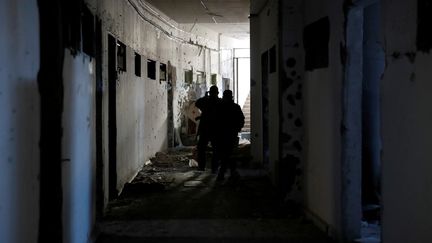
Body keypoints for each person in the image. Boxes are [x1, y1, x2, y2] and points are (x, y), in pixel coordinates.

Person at [215, 90, 245, 182]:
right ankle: (231, 174)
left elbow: (215, 121)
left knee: (224, 155)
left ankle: (222, 175)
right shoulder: (235, 107)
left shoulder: (219, 107)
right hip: (231, 134)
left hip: (223, 135)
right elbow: (241, 120)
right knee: (231, 155)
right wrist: (237, 128)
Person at [195, 85, 221, 172]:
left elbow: (197, 103)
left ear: (210, 92)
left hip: (205, 128)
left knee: (201, 148)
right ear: (217, 93)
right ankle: (214, 168)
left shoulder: (206, 101)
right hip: (216, 129)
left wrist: (205, 97)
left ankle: (201, 167)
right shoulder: (220, 102)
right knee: (216, 149)